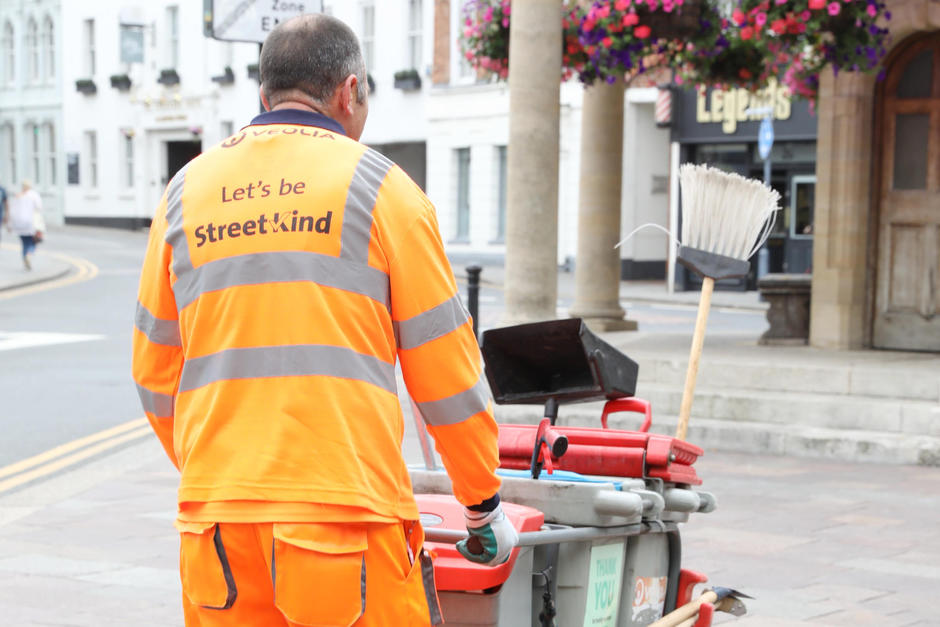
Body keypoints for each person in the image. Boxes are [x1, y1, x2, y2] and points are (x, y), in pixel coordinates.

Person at [132, 14, 515, 627]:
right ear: (350, 91)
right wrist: (480, 501)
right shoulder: (382, 188)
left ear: (264, 95)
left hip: (218, 526)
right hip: (345, 522)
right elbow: (446, 369)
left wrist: (221, 472)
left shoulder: (183, 192)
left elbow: (154, 370)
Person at [6, 180, 43, 270]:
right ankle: (29, 254)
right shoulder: (34, 195)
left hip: (18, 223)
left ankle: (24, 261)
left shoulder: (17, 196)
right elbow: (39, 207)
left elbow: (12, 211)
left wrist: (9, 225)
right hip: (30, 222)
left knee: (24, 243)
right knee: (33, 242)